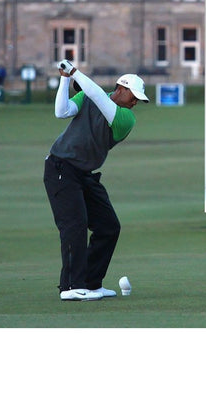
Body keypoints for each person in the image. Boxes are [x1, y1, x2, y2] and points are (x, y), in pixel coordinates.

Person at [43, 60, 149, 301]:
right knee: (75, 225)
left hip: (84, 174)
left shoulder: (125, 119)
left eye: (138, 100)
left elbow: (98, 96)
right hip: (60, 168)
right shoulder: (92, 97)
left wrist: (74, 72)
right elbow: (61, 112)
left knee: (109, 226)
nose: (135, 103)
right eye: (134, 96)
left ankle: (91, 284)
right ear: (120, 89)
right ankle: (70, 286)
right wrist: (65, 79)